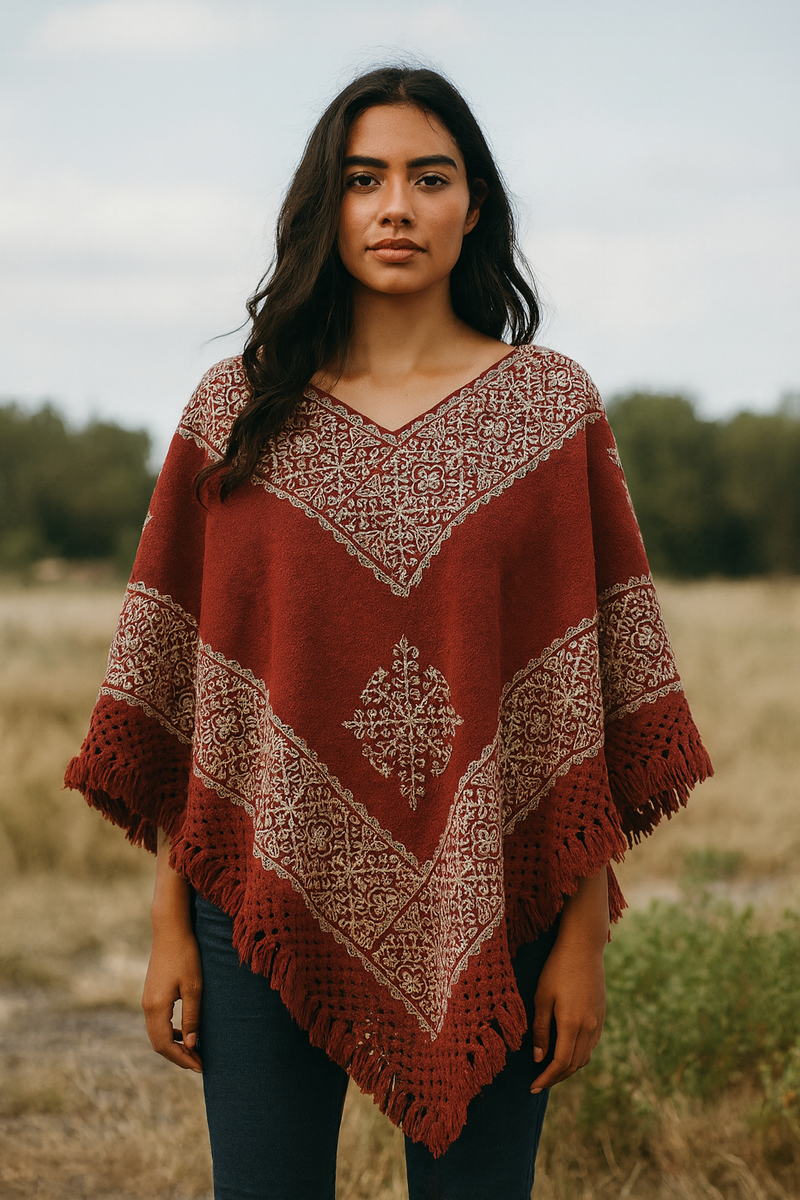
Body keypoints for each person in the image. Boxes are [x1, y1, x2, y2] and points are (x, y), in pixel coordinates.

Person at [66, 66, 711, 1200]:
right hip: (258, 896)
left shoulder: (548, 412)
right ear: (328, 204)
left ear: (475, 206)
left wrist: (581, 941)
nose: (396, 207)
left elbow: (577, 699)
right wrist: (171, 922)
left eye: (429, 177)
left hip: (495, 894)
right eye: (363, 180)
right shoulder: (234, 410)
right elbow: (193, 701)